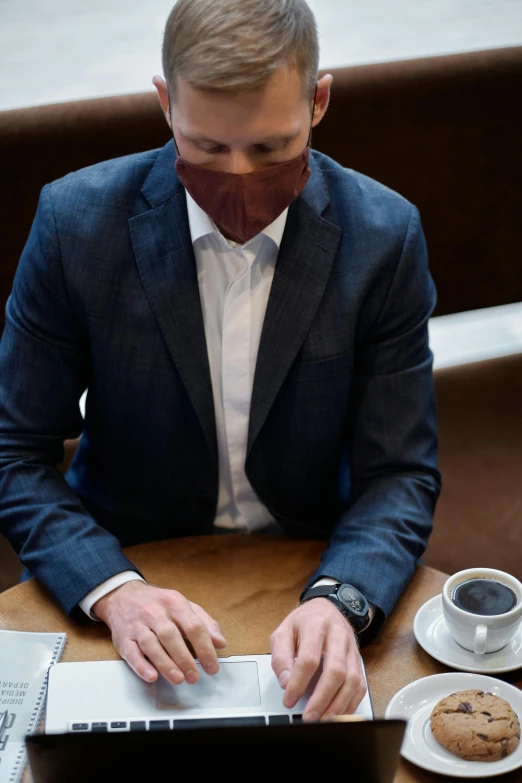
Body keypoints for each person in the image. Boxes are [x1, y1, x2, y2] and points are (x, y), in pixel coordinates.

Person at [0, 0, 440, 722]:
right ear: (165, 103)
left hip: (312, 561)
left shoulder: (384, 237)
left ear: (319, 101)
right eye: (206, 149)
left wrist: (343, 597)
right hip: (123, 562)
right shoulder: (74, 224)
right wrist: (114, 588)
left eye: (270, 149)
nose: (240, 180)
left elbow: (400, 472)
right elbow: (13, 450)